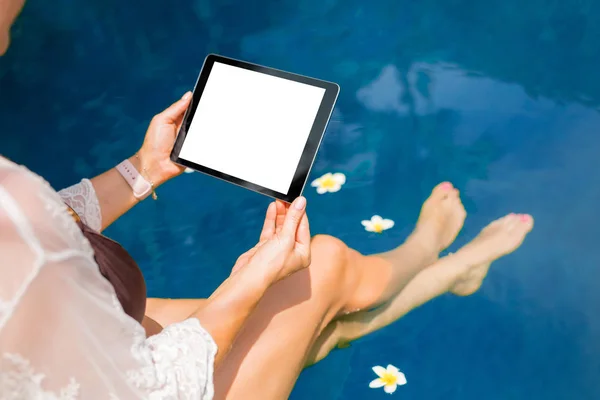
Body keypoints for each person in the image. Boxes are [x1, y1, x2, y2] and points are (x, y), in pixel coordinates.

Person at [0, 1, 534, 398]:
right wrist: (254, 276)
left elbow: (30, 223)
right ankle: (434, 255)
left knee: (309, 329)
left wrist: (141, 170)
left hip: (67, 345)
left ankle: (443, 273)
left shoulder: (22, 236)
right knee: (321, 270)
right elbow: (162, 385)